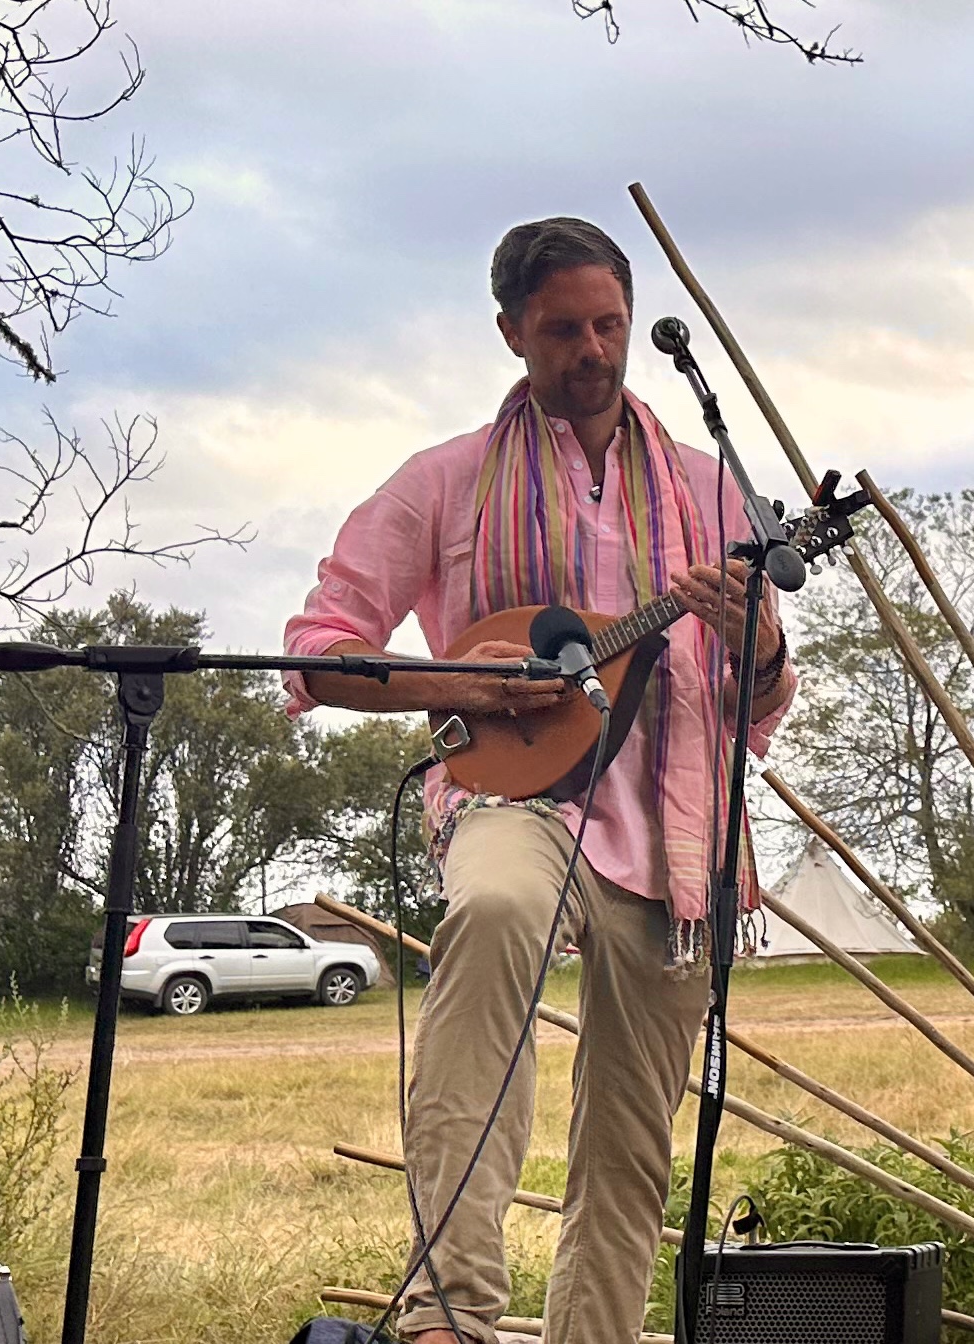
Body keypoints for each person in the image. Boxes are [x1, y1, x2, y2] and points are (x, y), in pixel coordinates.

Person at [281, 216, 796, 1344]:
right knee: (499, 906)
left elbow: (756, 704)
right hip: (511, 797)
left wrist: (753, 644)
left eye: (609, 324)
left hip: (675, 833)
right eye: (563, 329)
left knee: (629, 1142)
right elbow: (318, 649)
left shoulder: (712, 491)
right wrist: (451, 684)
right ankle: (448, 1312)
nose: (594, 350)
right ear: (513, 331)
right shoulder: (447, 482)